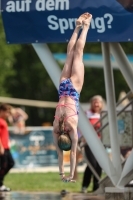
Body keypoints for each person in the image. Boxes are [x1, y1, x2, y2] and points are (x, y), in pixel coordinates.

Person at [53, 13, 92, 183]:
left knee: (78, 53)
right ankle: (77, 26)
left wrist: (69, 174)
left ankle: (86, 26)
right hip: (63, 88)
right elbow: (60, 153)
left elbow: (72, 153)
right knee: (70, 52)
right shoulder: (56, 127)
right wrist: (62, 174)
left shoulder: (71, 127)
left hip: (74, 88)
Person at [81, 95, 104, 193]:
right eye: (94, 102)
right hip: (89, 143)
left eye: (98, 102)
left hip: (101, 143)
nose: (96, 104)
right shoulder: (87, 114)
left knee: (99, 165)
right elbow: (81, 126)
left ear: (101, 104)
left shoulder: (104, 114)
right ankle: (85, 185)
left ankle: (96, 186)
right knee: (92, 164)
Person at [0, 104, 15, 191]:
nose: (8, 114)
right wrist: (1, 147)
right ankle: (0, 185)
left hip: (6, 147)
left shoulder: (3, 120)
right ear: (1, 111)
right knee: (4, 165)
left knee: (10, 163)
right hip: (2, 147)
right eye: (7, 112)